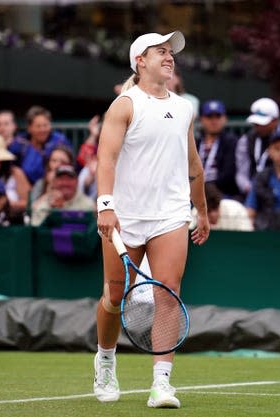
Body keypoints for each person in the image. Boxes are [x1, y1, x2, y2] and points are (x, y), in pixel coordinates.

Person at [93, 31, 209, 409]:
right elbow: (105, 158)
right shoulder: (125, 105)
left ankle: (161, 384)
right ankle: (106, 360)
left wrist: (201, 211)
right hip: (125, 217)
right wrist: (105, 206)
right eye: (161, 51)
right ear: (140, 60)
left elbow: (193, 165)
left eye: (170, 52)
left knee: (167, 293)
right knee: (113, 296)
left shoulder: (185, 108)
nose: (169, 57)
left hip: (171, 216)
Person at [235, 97, 280, 198]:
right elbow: (241, 173)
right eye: (256, 123)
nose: (258, 126)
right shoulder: (246, 140)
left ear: (275, 120)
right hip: (252, 191)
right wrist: (250, 189)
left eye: (262, 123)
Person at [244, 128, 280, 230]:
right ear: (270, 152)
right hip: (264, 228)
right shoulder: (260, 177)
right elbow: (250, 208)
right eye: (277, 149)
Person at [8, 105, 73, 185]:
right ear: (29, 128)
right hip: (26, 188)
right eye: (38, 126)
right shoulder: (20, 142)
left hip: (55, 183)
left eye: (45, 125)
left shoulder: (59, 141)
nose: (42, 130)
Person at [195, 99, 240, 198]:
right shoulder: (195, 142)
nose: (214, 121)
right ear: (201, 119)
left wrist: (207, 188)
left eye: (218, 116)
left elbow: (229, 174)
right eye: (209, 117)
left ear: (225, 119)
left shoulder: (232, 142)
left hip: (223, 194)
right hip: (194, 193)